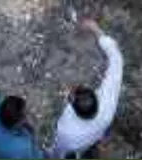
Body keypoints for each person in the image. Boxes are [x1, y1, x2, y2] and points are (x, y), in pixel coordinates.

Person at [50, 19, 124, 158]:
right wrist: (96, 30)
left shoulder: (65, 129)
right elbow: (116, 58)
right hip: (100, 129)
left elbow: (59, 149)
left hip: (78, 145)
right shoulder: (107, 101)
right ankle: (98, 142)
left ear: (73, 107)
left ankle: (94, 148)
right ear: (96, 97)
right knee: (100, 134)